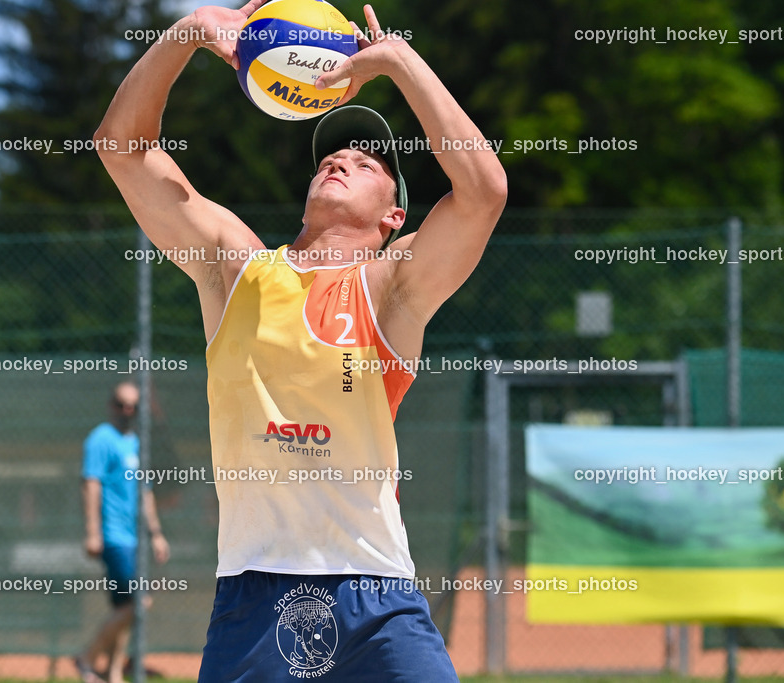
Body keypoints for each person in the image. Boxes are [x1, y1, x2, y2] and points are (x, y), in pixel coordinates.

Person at [94, 1, 506, 679]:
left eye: (369, 162)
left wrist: (398, 61)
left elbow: (484, 190)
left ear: (394, 215)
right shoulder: (235, 268)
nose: (343, 156)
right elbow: (121, 148)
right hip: (255, 589)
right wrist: (190, 32)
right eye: (333, 153)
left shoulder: (391, 286)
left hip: (377, 596)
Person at [77, 381, 170, 683]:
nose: (127, 410)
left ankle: (114, 674)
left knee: (123, 607)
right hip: (113, 536)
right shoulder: (100, 440)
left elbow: (146, 493)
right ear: (111, 405)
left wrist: (156, 533)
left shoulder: (136, 444)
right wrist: (93, 532)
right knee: (139, 602)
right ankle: (87, 658)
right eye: (121, 404)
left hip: (135, 539)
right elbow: (91, 484)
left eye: (133, 405)